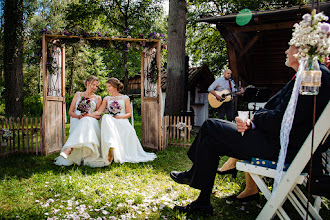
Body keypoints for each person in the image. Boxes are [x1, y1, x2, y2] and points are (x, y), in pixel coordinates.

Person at [169, 45, 330, 215]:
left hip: (283, 149)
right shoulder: (307, 75)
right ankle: (201, 202)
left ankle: (194, 176)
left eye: (290, 47)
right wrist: (252, 122)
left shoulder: (314, 75)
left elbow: (282, 121)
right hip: (278, 141)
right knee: (211, 135)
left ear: (301, 50)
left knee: (210, 127)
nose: (285, 51)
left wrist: (255, 120)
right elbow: (272, 110)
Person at [88, 77, 156, 165]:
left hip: (122, 119)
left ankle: (114, 149)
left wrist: (120, 117)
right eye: (107, 87)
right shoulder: (106, 99)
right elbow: (99, 111)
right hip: (111, 121)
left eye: (109, 86)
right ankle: (110, 146)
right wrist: (88, 115)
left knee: (110, 119)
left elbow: (129, 114)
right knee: (105, 117)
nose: (107, 89)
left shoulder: (125, 98)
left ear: (115, 86)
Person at [54, 75, 102, 167]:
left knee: (86, 120)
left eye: (96, 86)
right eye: (93, 85)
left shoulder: (98, 98)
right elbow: (70, 112)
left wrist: (88, 116)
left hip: (91, 120)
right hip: (77, 119)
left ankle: (69, 149)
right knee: (84, 120)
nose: (95, 87)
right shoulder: (78, 94)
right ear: (87, 83)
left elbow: (98, 116)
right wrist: (78, 116)